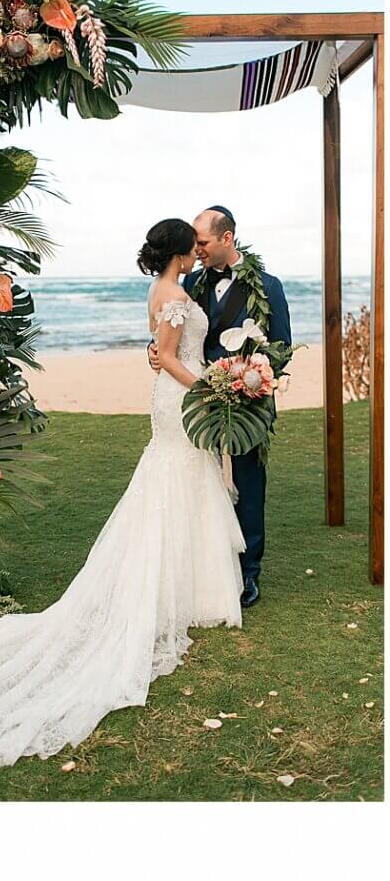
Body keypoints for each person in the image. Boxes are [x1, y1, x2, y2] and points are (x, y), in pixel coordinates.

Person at [0, 217, 243, 769]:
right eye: (194, 244)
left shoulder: (162, 290)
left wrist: (176, 367)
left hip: (169, 396)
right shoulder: (175, 294)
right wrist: (213, 385)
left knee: (177, 482)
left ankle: (188, 589)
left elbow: (160, 353)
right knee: (177, 481)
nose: (199, 250)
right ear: (182, 251)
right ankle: (177, 590)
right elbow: (174, 357)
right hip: (181, 398)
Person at [149, 207, 292, 611]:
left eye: (204, 242)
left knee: (248, 485)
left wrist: (250, 379)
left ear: (227, 239)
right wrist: (155, 353)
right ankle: (207, 569)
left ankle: (248, 574)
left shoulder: (268, 286)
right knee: (203, 484)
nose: (197, 249)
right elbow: (168, 334)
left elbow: (280, 347)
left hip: (246, 401)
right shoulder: (189, 281)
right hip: (194, 401)